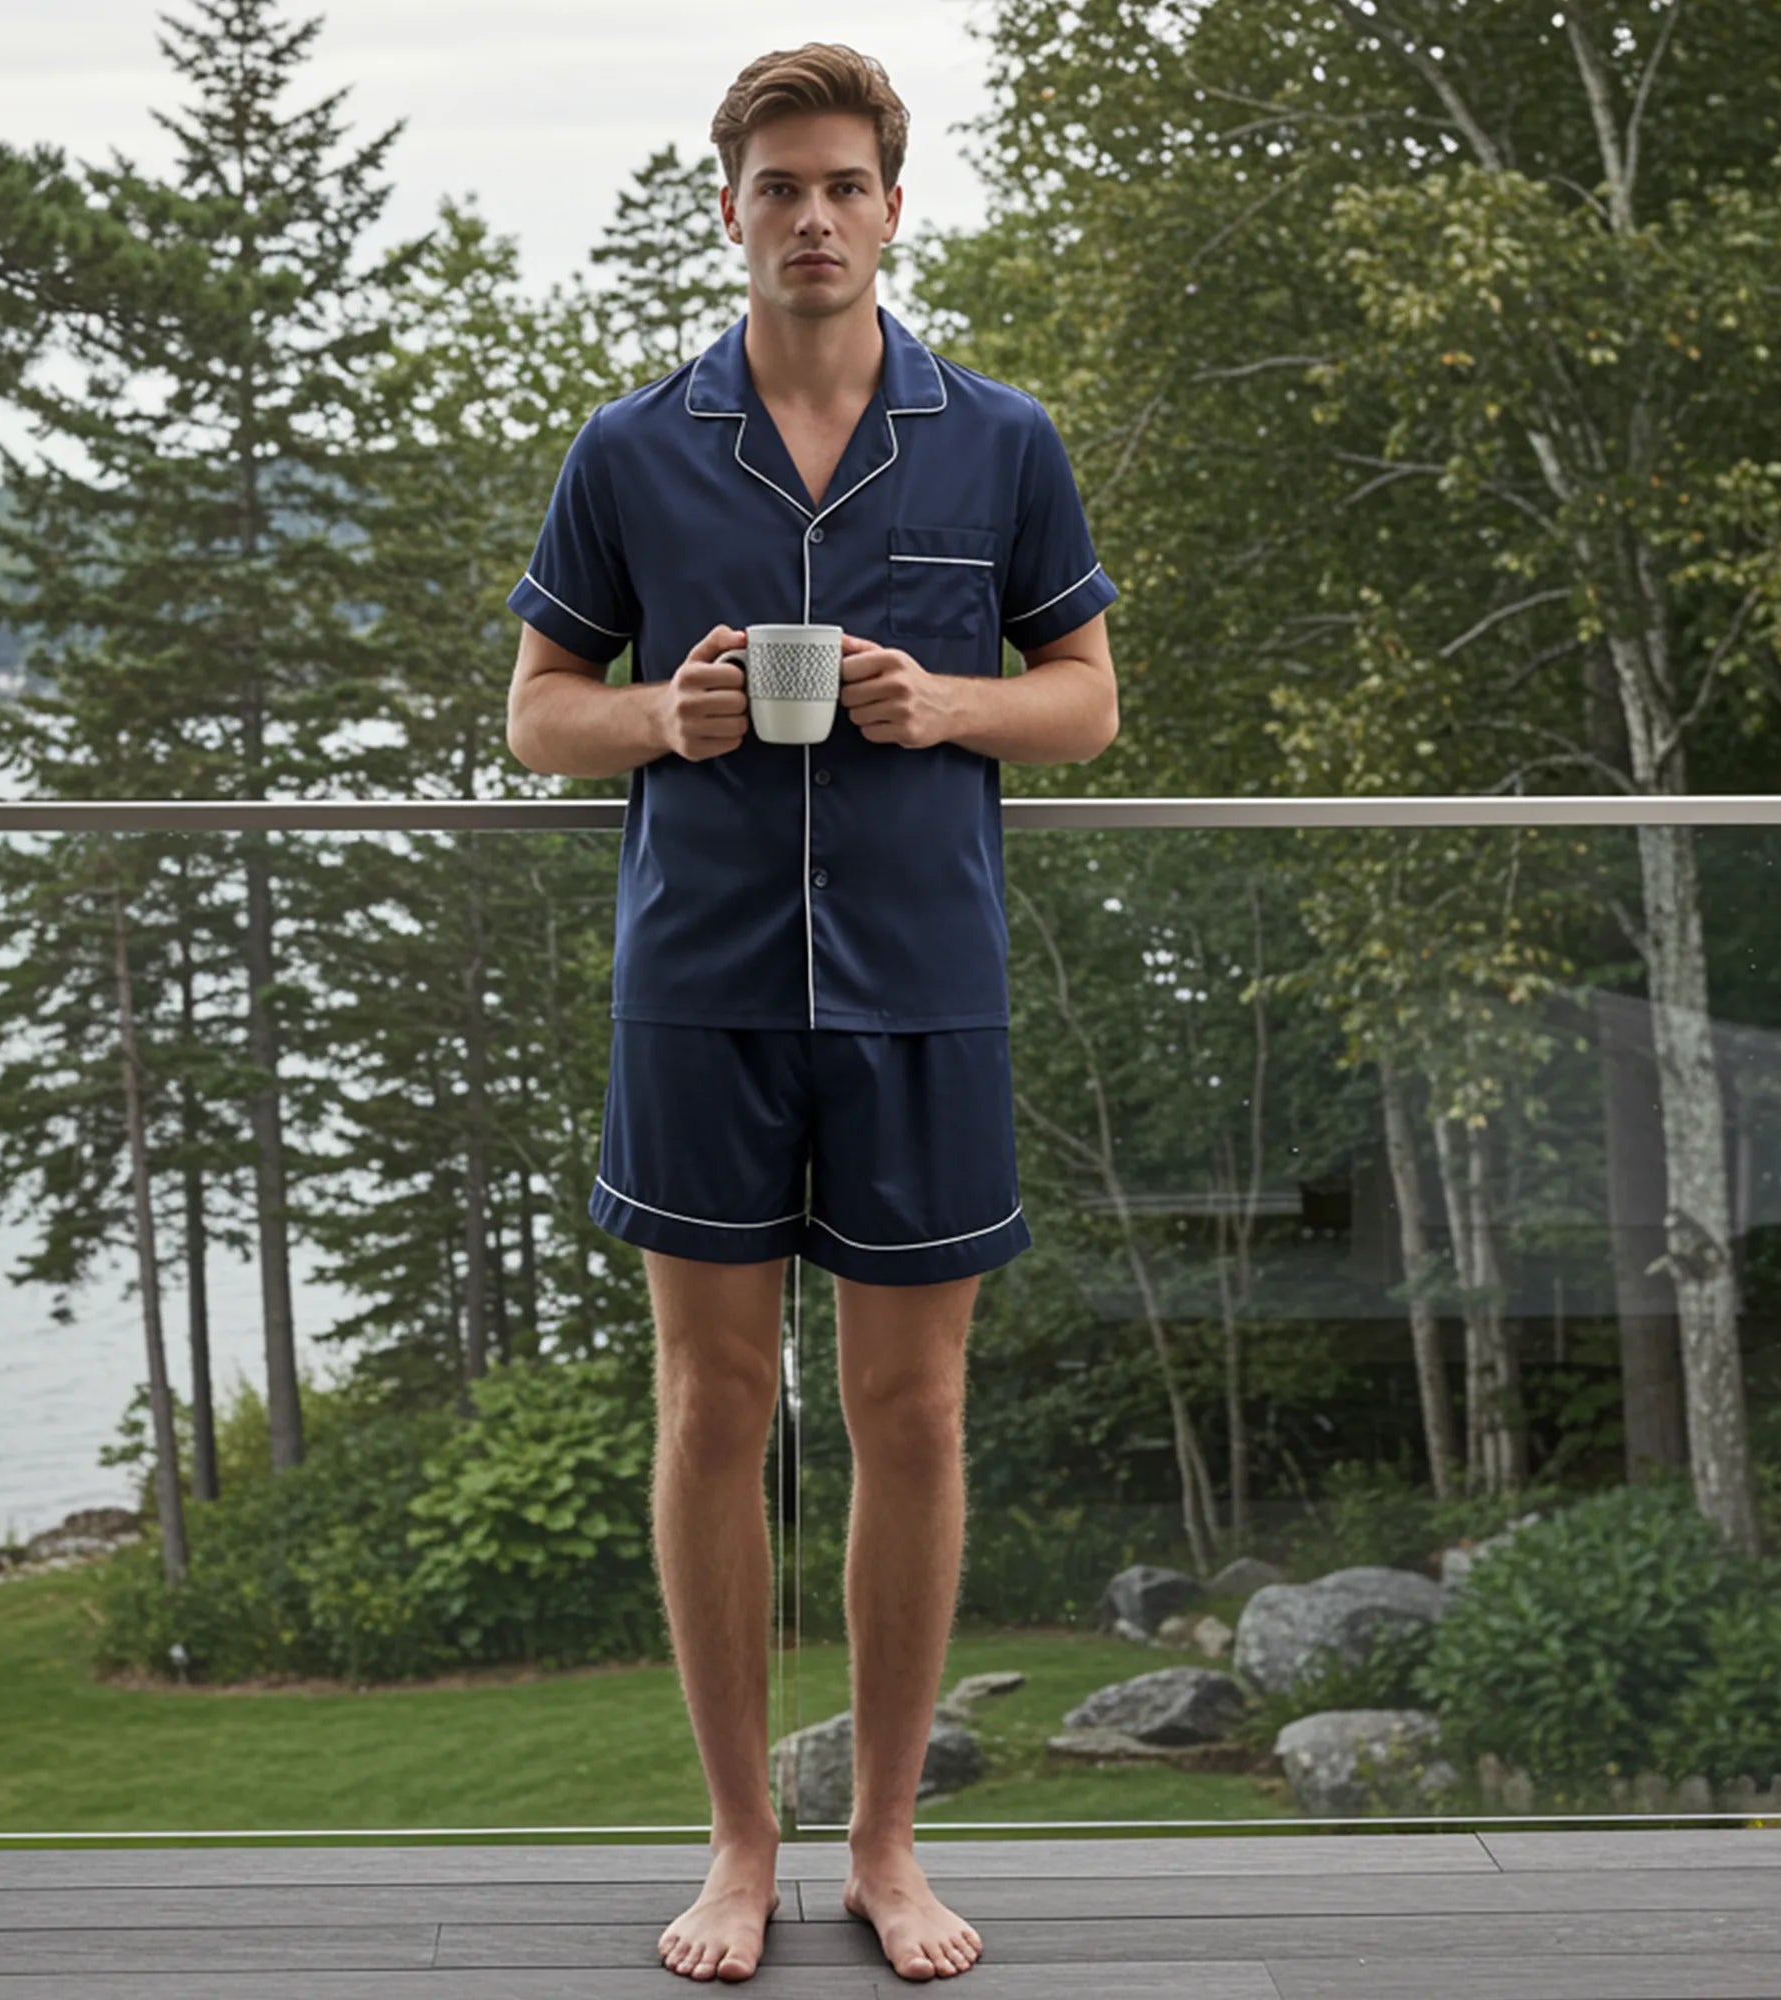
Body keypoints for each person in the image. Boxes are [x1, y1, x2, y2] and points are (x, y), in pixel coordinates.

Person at [504, 41, 1119, 1985]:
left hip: (925, 990)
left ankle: (886, 1842)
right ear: (730, 213)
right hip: (698, 988)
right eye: (779, 187)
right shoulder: (629, 449)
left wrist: (945, 702)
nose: (814, 217)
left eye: (846, 183)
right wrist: (658, 715)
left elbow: (1086, 699)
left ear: (893, 207)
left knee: (910, 1412)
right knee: (711, 1407)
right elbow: (538, 716)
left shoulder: (1000, 439)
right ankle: (735, 1842)